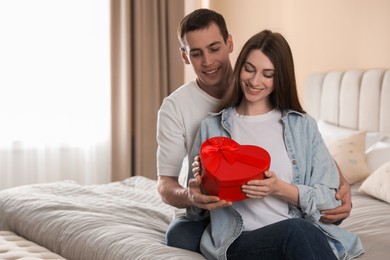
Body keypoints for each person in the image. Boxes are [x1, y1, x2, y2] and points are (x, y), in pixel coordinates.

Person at [156, 8, 352, 253]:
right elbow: (171, 185)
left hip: (292, 224)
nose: (207, 61)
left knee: (305, 228)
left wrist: (341, 182)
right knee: (181, 234)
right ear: (185, 56)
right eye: (197, 53)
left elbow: (311, 163)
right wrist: (196, 192)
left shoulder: (300, 124)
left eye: (267, 74)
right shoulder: (207, 123)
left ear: (229, 44)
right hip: (234, 230)